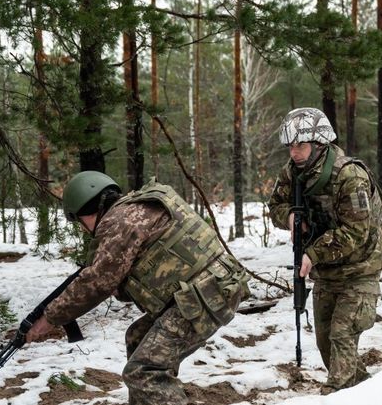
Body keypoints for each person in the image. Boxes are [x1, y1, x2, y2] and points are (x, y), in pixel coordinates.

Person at [25, 171, 251, 405]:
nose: (82, 229)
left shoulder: (120, 221)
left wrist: (49, 318)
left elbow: (96, 283)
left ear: (87, 211)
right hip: (214, 288)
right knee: (137, 338)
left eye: (79, 221)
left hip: (203, 296)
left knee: (144, 373)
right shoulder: (137, 207)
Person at [267, 107, 382, 395]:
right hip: (326, 272)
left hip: (360, 270)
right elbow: (275, 206)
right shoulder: (293, 172)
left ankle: (335, 397)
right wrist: (291, 217)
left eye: (301, 145)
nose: (294, 152)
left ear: (319, 143)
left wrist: (312, 254)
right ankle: (373, 394)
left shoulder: (349, 175)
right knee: (326, 346)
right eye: (291, 146)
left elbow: (356, 232)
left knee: (341, 337)